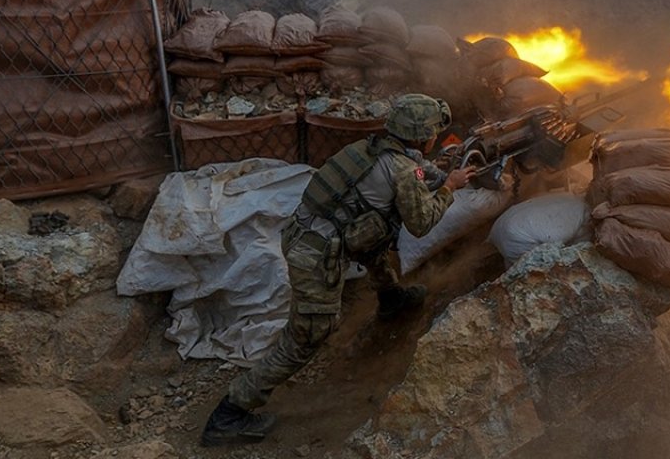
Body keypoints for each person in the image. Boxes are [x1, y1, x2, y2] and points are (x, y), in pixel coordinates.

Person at [200, 93, 475, 447]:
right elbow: (421, 223)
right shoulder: (402, 170)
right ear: (422, 136)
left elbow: (416, 172)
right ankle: (230, 413)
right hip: (315, 257)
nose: (436, 135)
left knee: (374, 239)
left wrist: (442, 172)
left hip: (305, 234)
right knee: (306, 337)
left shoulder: (371, 148)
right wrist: (450, 188)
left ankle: (390, 297)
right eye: (434, 130)